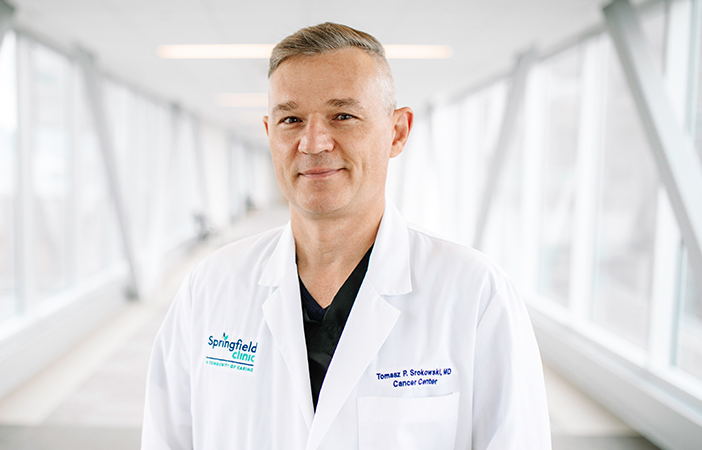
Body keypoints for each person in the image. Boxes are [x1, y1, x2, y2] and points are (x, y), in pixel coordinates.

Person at [141, 22, 551, 450]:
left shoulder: (475, 294)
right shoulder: (210, 287)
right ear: (269, 134)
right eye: (291, 119)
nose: (313, 143)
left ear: (398, 132)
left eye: (343, 116)